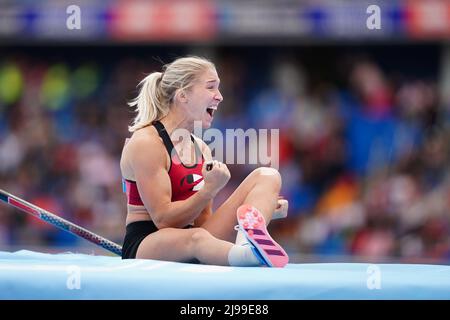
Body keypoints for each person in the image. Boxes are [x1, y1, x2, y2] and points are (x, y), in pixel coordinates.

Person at [120, 56, 289, 267]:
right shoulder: (146, 143)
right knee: (197, 239)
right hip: (148, 241)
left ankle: (248, 242)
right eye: (211, 88)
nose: (220, 97)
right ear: (183, 95)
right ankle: (249, 257)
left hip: (193, 236)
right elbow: (163, 221)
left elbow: (203, 223)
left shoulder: (201, 149)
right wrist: (208, 190)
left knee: (267, 176)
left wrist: (263, 206)